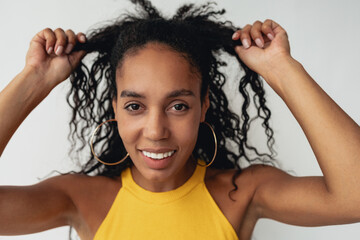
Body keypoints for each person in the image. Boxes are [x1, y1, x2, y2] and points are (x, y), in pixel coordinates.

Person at [1, 0, 360, 239]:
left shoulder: (242, 193)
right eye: (135, 106)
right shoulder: (81, 198)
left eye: (178, 106)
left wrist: (282, 69)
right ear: (114, 107)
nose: (156, 131)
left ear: (204, 106)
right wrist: (33, 80)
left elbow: (353, 197)